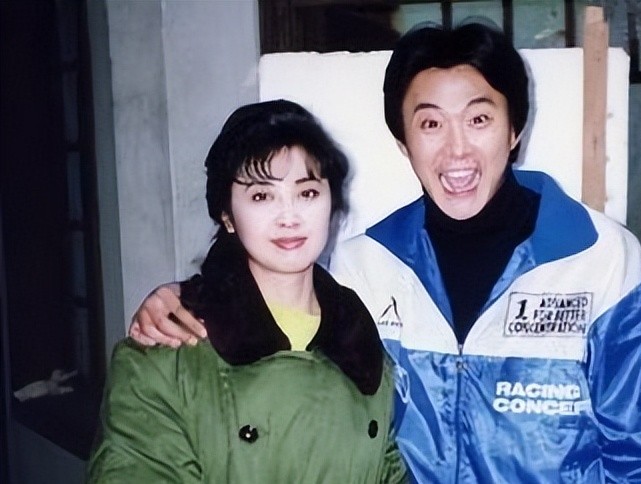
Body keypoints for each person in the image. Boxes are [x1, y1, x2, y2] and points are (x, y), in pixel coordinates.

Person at [130, 22, 641, 482]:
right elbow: (278, 320)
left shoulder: (600, 259)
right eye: (430, 124)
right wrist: (188, 298)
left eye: (479, 118)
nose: (457, 149)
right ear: (403, 140)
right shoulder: (364, 266)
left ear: (514, 128)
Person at [89, 100, 407, 483]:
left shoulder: (362, 349)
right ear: (227, 216)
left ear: (331, 202)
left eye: (307, 193)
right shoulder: (165, 355)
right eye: (262, 196)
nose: (289, 216)